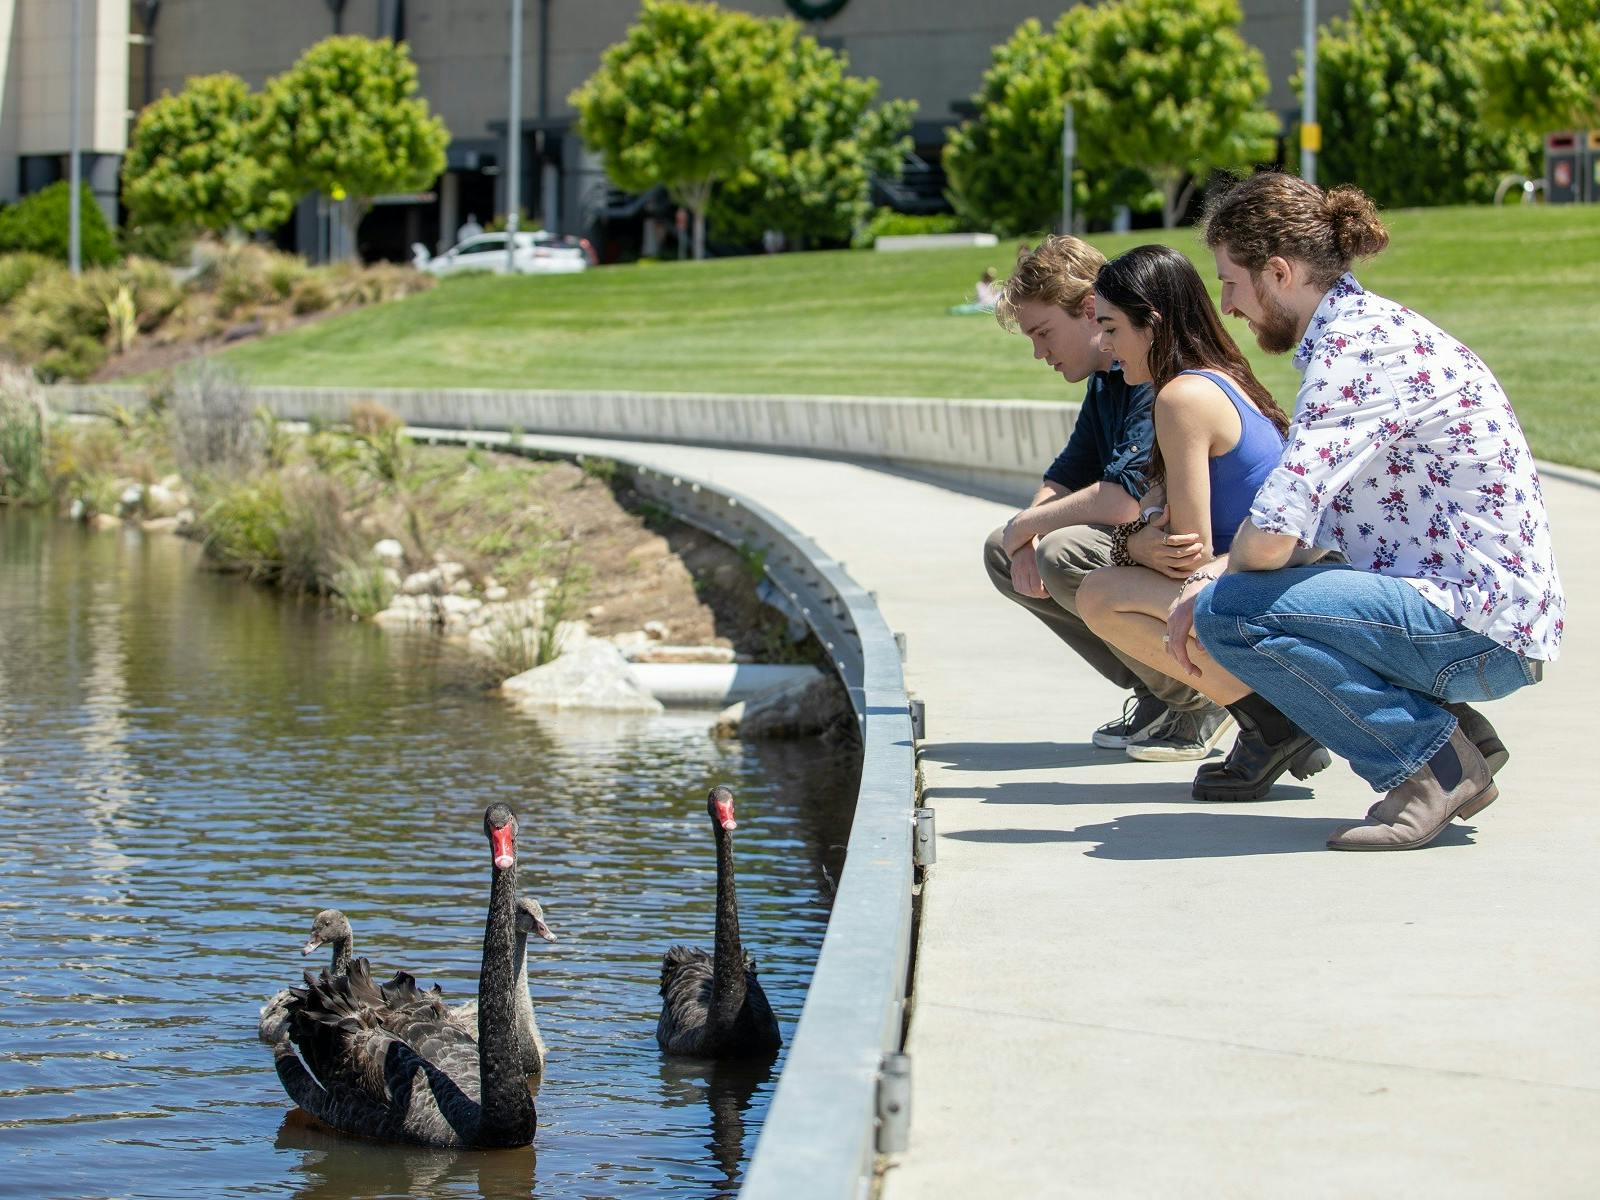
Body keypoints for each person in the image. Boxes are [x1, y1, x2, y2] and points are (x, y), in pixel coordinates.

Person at [1164, 171, 1562, 850]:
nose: (1227, 305)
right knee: (1235, 595)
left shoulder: (1358, 351)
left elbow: (1275, 533)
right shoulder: (1362, 335)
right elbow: (1298, 528)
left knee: (1232, 614)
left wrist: (1208, 585)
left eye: (1230, 282)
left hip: (1479, 624)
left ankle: (1429, 766)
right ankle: (1460, 742)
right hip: (1477, 612)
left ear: (1279, 272)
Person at [1075, 245, 1323, 777]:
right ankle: (1272, 721)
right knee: (1109, 580)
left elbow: (1191, 552)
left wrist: (1132, 543)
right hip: (1282, 577)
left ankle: (1274, 723)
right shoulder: (1217, 375)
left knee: (1100, 594)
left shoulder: (1181, 398)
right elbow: (1156, 520)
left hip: (1265, 591)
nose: (1106, 346)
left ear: (1153, 323)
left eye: (1113, 328)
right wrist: (1136, 539)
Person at [984, 236, 1225, 757]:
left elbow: (1122, 501)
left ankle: (1197, 694)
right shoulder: (1106, 380)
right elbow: (1069, 472)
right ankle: (1157, 688)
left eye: (1043, 333)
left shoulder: (1151, 374)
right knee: (1005, 549)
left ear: (1090, 312)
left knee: (1059, 551)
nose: (1038, 352)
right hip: (1154, 549)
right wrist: (1021, 530)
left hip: (1205, 561)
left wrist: (1030, 528)